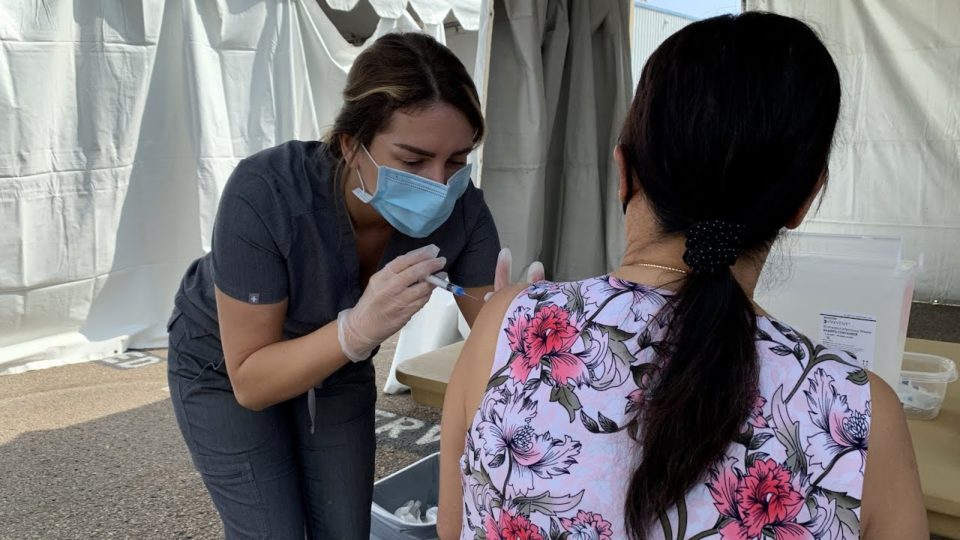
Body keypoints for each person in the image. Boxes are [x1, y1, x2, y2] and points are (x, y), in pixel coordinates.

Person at [438, 12, 928, 540]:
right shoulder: (860, 413)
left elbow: (451, 528)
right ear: (804, 200)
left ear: (623, 171)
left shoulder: (506, 325)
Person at [167, 33, 538, 539]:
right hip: (225, 366)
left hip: (340, 369)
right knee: (271, 531)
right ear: (350, 143)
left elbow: (493, 335)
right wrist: (355, 330)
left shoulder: (464, 210)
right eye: (413, 160)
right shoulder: (267, 192)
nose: (438, 183)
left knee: (344, 530)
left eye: (456, 160)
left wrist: (528, 317)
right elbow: (251, 381)